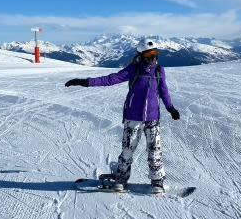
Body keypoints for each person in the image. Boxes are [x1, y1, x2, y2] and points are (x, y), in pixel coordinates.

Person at [65, 38, 180, 194]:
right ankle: (121, 180)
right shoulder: (134, 69)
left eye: (155, 54)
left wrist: (170, 108)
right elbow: (110, 79)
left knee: (155, 150)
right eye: (149, 55)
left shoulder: (159, 70)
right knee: (127, 150)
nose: (153, 58)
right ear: (141, 55)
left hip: (152, 118)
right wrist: (85, 82)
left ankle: (157, 181)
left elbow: (163, 90)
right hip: (133, 117)